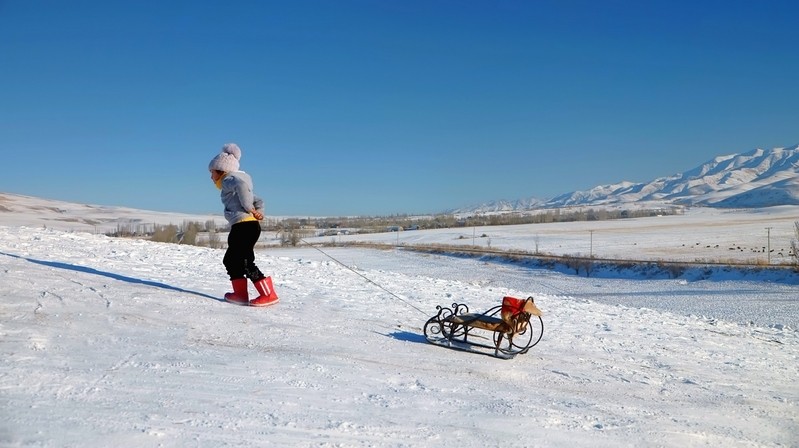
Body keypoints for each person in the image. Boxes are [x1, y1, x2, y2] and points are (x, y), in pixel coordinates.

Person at [208, 143, 279, 307]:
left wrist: (249, 208)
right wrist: (258, 211)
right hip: (245, 226)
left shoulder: (230, 180)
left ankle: (269, 295)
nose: (211, 177)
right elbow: (259, 200)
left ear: (221, 171)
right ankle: (240, 295)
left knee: (244, 261)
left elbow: (241, 187)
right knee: (231, 260)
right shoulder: (238, 183)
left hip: (244, 226)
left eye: (212, 172)